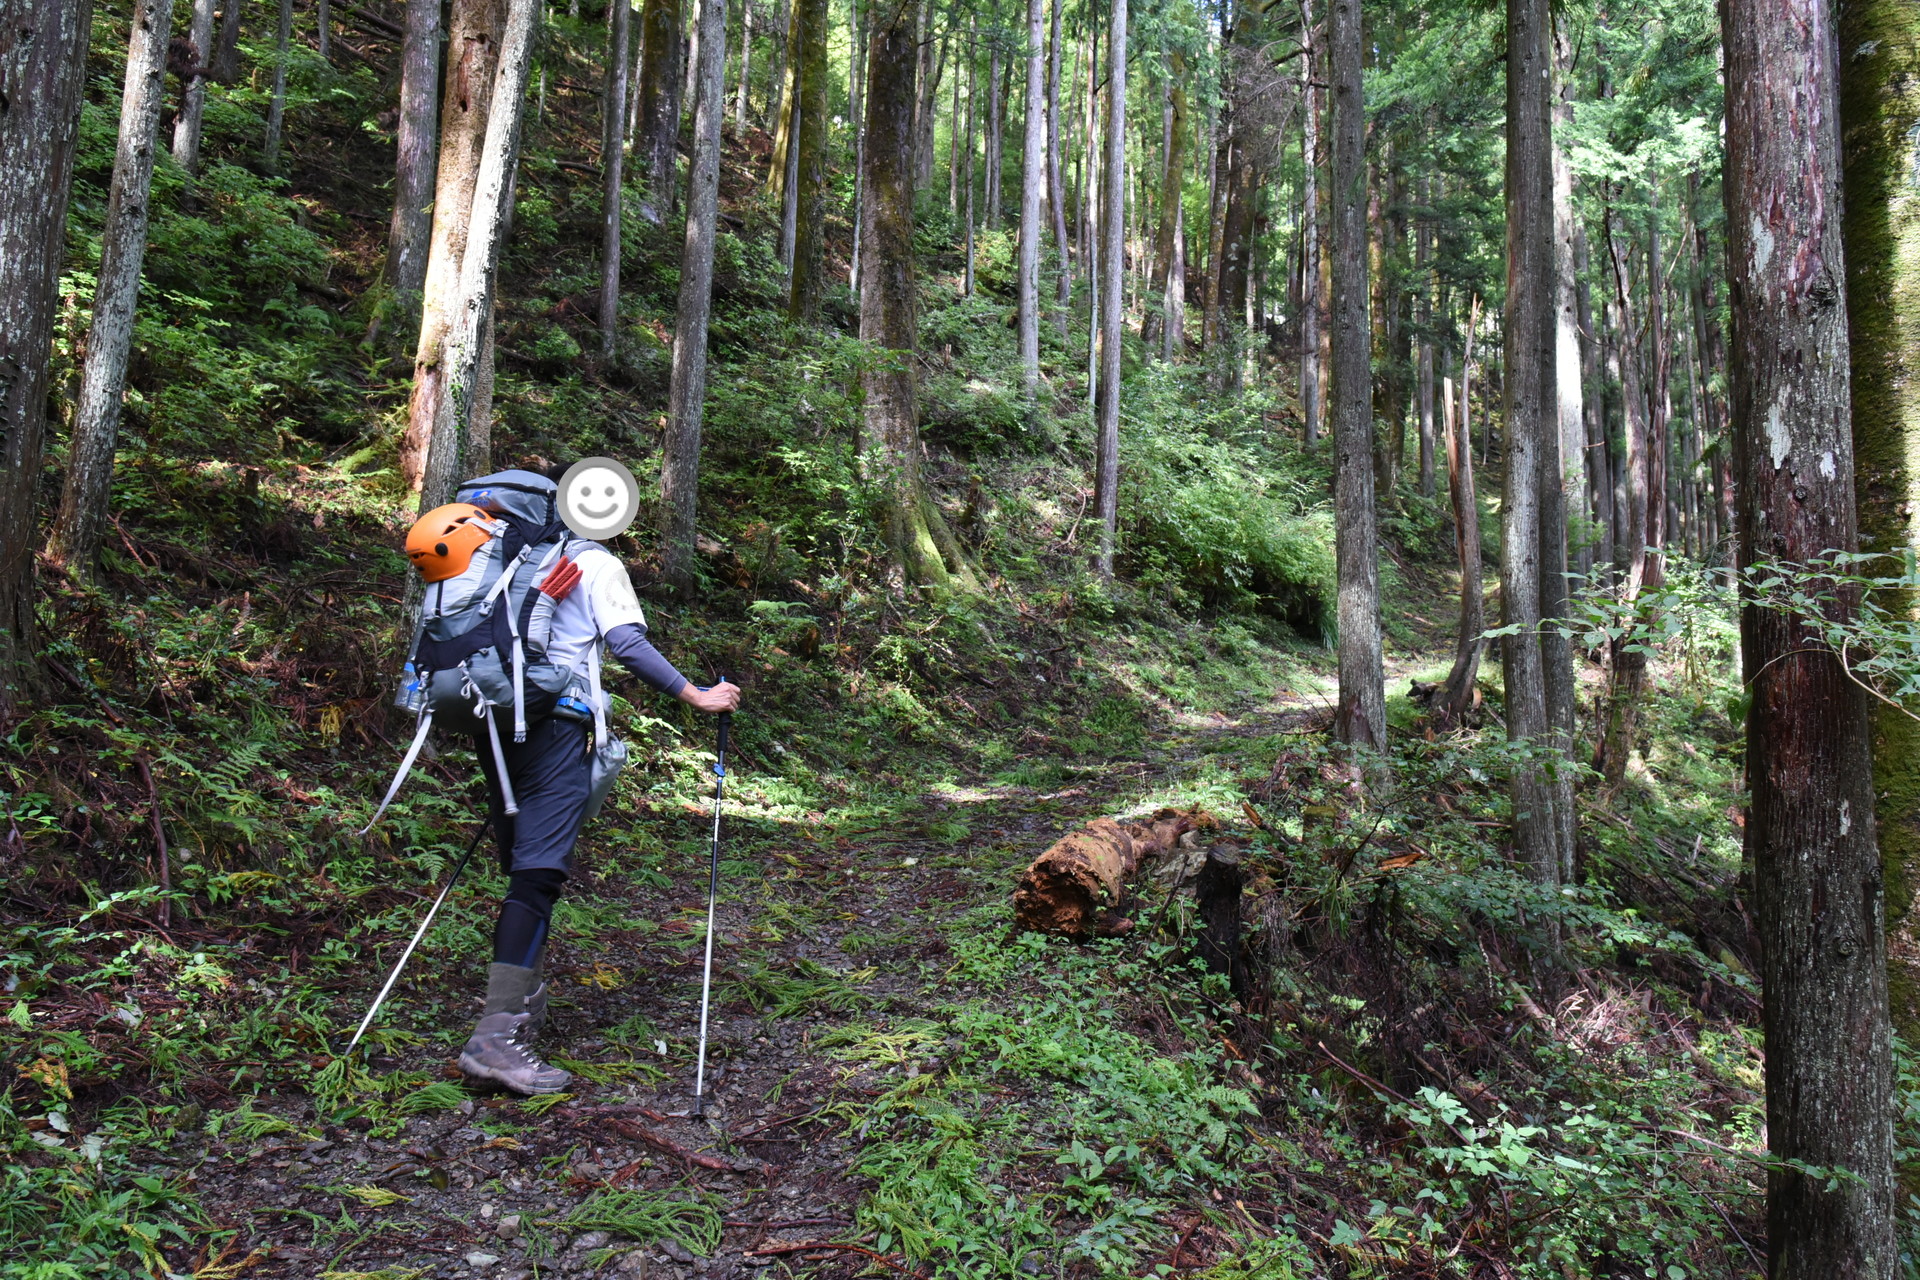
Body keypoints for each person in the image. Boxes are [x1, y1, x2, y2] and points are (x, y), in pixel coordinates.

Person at [412, 471, 739, 1094]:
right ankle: (495, 1038)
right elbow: (626, 644)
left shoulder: (497, 561)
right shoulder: (590, 561)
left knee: (523, 868)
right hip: (554, 727)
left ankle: (516, 1012)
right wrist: (696, 694)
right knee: (539, 872)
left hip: (493, 717)